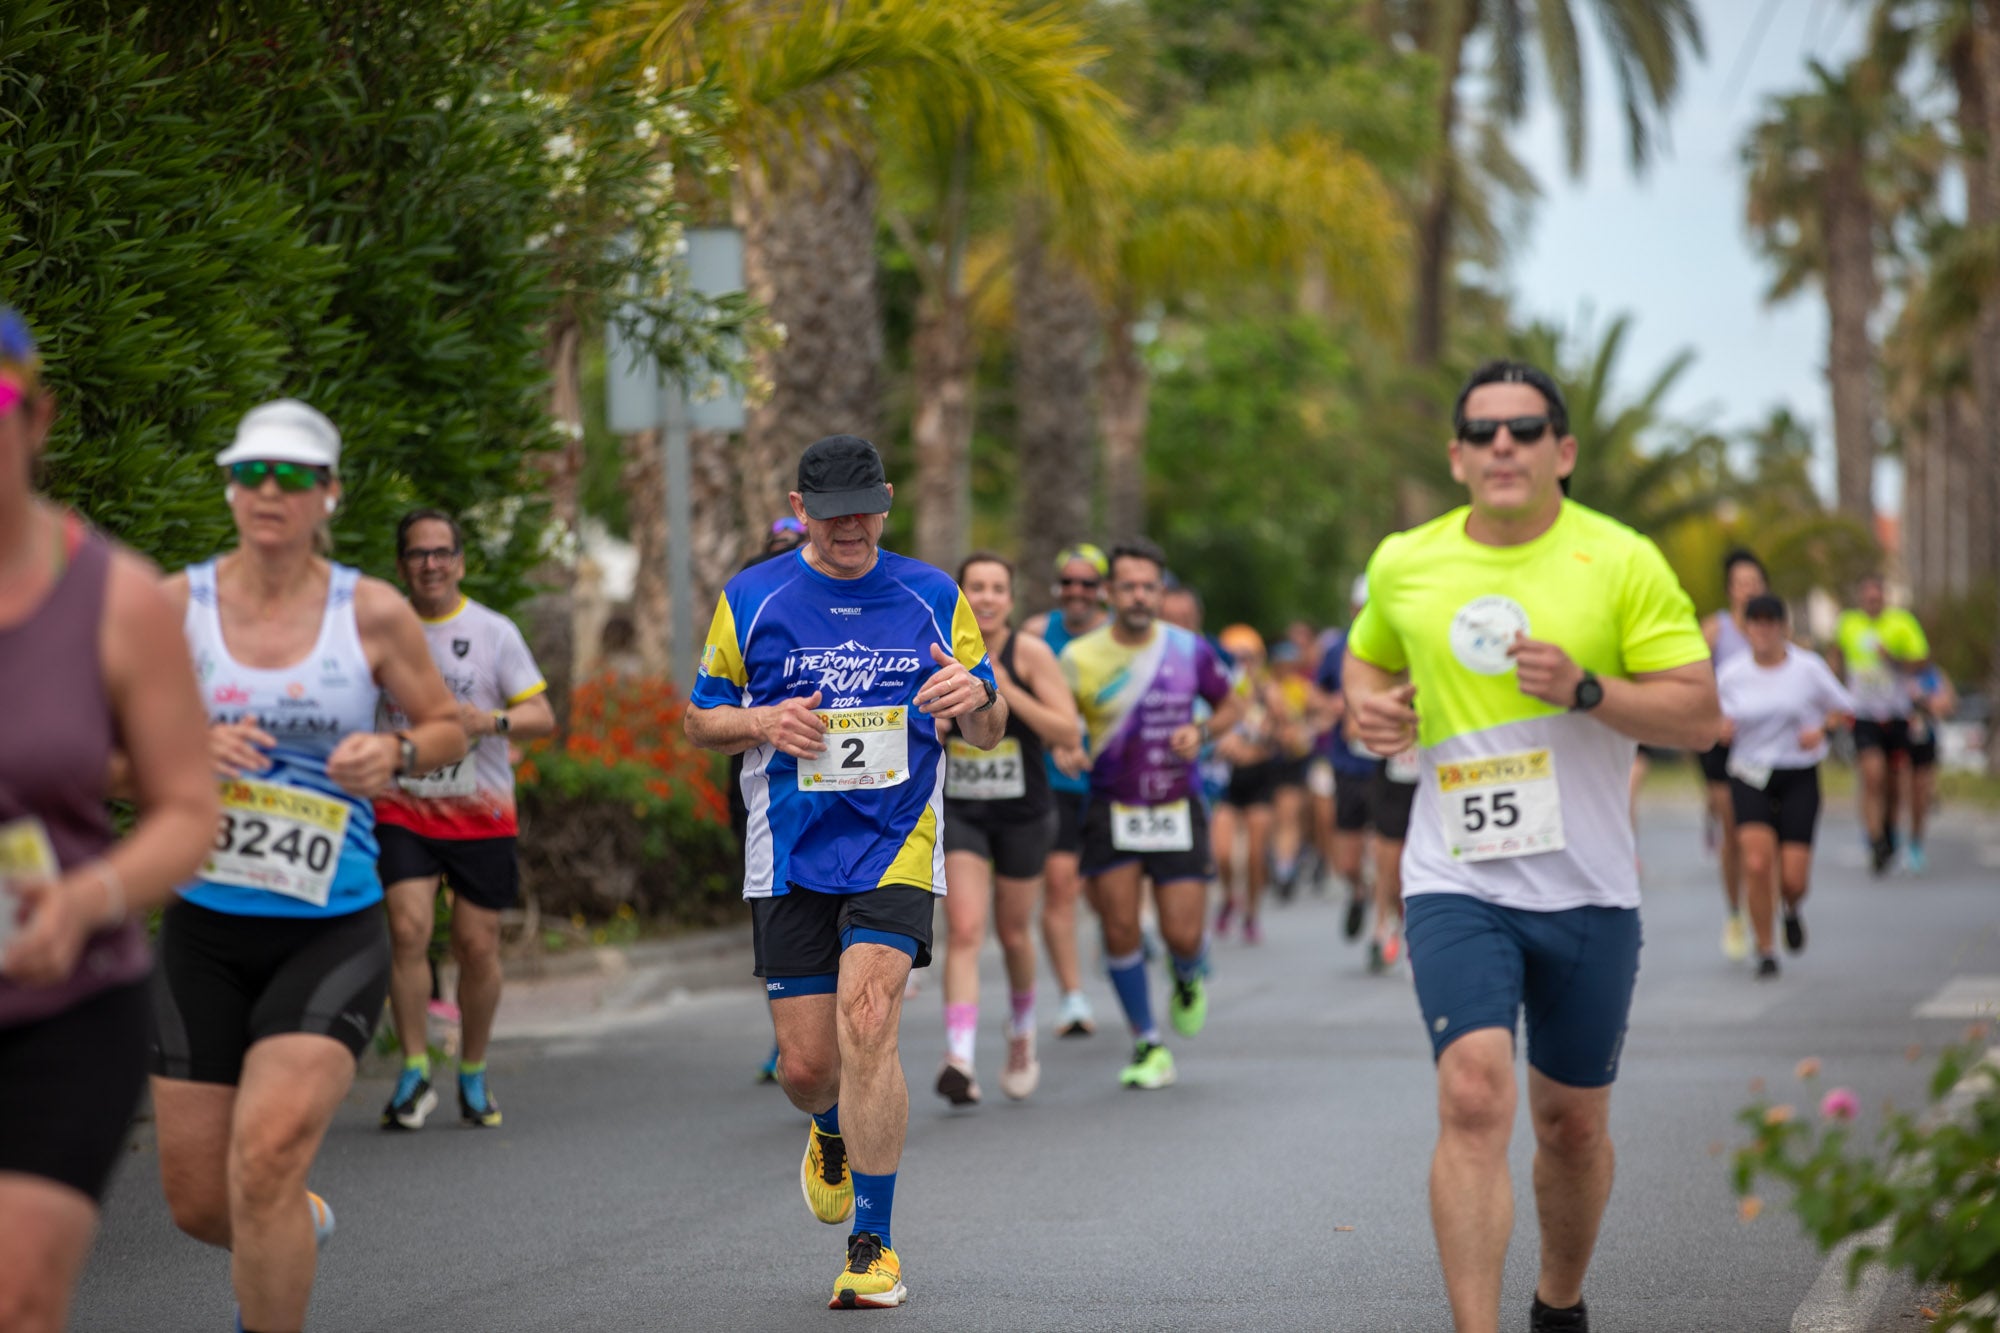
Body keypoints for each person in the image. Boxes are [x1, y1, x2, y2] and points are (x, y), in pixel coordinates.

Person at [1343, 360, 1719, 1333]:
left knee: (1569, 1125)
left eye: (1522, 428)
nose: (1500, 445)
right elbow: (1365, 655)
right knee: (1472, 1093)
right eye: (1481, 431)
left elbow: (1698, 714)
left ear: (1563, 450)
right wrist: (1366, 709)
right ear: (1457, 455)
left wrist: (1591, 690)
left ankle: (1557, 1303)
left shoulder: (1621, 559)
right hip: (1451, 876)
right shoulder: (1405, 561)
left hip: (1588, 888)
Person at [151, 399, 467, 1333]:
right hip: (203, 925)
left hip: (330, 922)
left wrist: (398, 755)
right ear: (230, 487)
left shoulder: (368, 611)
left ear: (328, 492)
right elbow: (104, 752)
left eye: (292, 477)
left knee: (265, 1160)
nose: (269, 493)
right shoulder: (177, 608)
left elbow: (447, 726)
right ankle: (298, 1219)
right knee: (203, 1202)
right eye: (251, 474)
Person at [684, 434, 1006, 1310]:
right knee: (805, 1066)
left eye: (865, 507)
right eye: (830, 513)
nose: (850, 526)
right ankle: (826, 1125)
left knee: (871, 1019)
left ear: (888, 499)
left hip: (896, 837)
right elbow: (699, 718)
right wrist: (761, 723)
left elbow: (990, 724)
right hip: (788, 846)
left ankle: (875, 1244)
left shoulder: (933, 594)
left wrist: (975, 700)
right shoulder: (752, 598)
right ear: (801, 511)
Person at [0, 308, 218, 1333]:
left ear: (36, 416)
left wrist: (87, 896)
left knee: (17, 1295)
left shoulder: (119, 598)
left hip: (64, 1002)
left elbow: (186, 812)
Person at [375, 509, 555, 1130]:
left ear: (460, 561)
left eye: (441, 552)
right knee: (406, 929)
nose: (430, 564)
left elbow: (542, 716)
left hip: (481, 812)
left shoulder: (492, 631)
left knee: (476, 946)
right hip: (403, 807)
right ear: (401, 565)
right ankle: (414, 1069)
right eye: (418, 554)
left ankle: (473, 1073)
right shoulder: (377, 630)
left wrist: (490, 721)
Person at [1060, 539, 1242, 1090]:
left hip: (1176, 805)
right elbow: (1063, 725)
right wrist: (1067, 749)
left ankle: (1186, 975)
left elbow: (1234, 703)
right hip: (1111, 807)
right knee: (1119, 927)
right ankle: (1148, 1041)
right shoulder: (1080, 657)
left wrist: (1205, 730)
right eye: (1128, 586)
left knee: (1183, 935)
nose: (1139, 595)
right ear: (1110, 593)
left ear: (1160, 593)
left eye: (1149, 586)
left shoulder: (1190, 649)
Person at [934, 553, 1081, 1105]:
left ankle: (1022, 1035)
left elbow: (1067, 730)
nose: (989, 598)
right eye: (978, 588)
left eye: (998, 588)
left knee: (1014, 931)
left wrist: (999, 687)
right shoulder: (937, 646)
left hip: (1024, 811)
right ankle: (960, 1059)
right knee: (967, 929)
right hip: (964, 809)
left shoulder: (1032, 653)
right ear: (962, 597)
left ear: (1011, 601)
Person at [1716, 596, 1854, 979]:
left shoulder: (1807, 669)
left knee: (1793, 879)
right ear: (1746, 629)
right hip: (1749, 773)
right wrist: (1719, 729)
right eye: (1755, 622)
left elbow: (1844, 707)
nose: (1763, 629)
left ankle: (1790, 909)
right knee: (1757, 863)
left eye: (1770, 621)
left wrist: (1822, 730)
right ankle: (1765, 949)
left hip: (1798, 773)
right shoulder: (1731, 673)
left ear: (1783, 627)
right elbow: (1710, 716)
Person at [1023, 543, 1110, 1037]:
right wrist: (1053, 739)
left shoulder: (1120, 637)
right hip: (1055, 782)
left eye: (1088, 583)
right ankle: (1073, 997)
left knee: (1103, 890)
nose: (1077, 592)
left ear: (1103, 590)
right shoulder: (1037, 633)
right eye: (1069, 582)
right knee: (1058, 887)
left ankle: (1126, 930)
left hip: (1110, 782)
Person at [1830, 575, 1931, 876]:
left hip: (1896, 715)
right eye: (1868, 598)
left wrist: (1894, 660)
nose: (1873, 602)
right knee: (1871, 776)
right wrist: (1833, 686)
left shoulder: (1901, 623)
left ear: (1885, 598)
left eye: (1878, 597)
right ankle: (1874, 841)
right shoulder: (1848, 623)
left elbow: (1922, 662)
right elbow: (1835, 657)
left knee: (1893, 783)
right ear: (1862, 599)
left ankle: (1888, 830)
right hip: (1863, 715)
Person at [1700, 550, 1767, 959]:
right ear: (1730, 589)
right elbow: (1691, 679)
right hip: (1721, 742)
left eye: (1754, 583)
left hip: (1762, 746)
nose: (1748, 590)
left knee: (1755, 835)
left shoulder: (1774, 630)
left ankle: (1764, 909)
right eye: (1740, 583)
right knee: (1732, 833)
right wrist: (1712, 717)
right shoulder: (1714, 629)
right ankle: (1734, 913)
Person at [1904, 663, 1955, 874]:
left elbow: (1948, 705)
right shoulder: (1895, 672)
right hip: (1898, 738)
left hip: (1925, 740)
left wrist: (1927, 702)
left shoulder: (1933, 674)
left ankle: (1915, 843)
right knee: (1897, 790)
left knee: (1921, 794)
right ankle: (1890, 837)